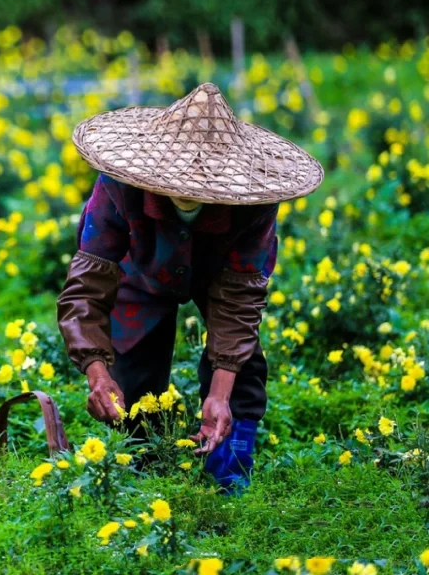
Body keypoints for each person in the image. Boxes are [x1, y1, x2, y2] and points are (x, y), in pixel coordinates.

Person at [55, 80, 324, 491]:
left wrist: (219, 393)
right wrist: (97, 373)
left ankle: (228, 472)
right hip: (141, 272)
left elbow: (239, 298)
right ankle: (145, 476)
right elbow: (87, 284)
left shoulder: (254, 202)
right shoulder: (118, 185)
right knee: (133, 381)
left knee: (242, 369)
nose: (187, 188)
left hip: (218, 274)